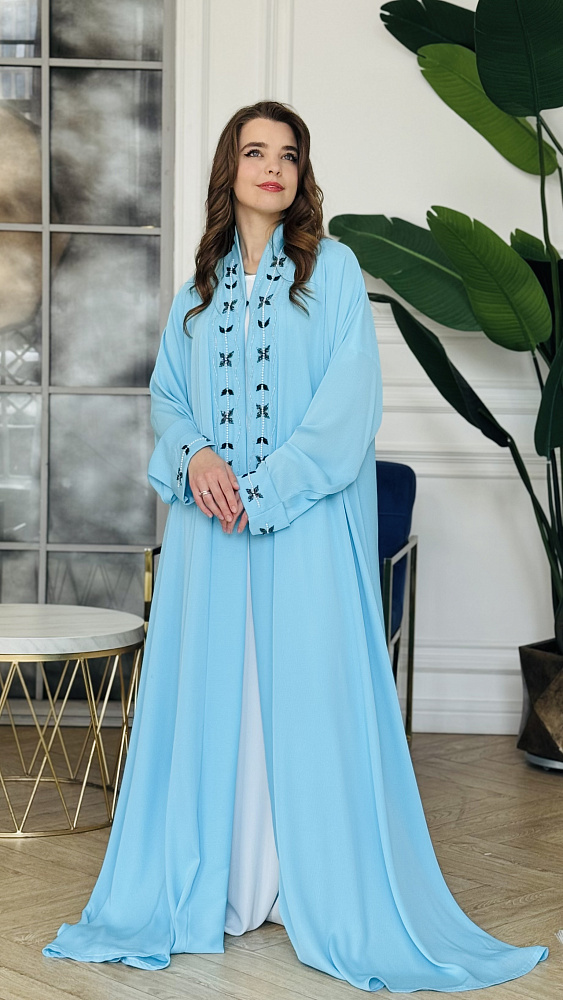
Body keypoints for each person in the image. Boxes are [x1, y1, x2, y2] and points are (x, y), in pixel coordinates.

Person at [43, 100, 548, 992]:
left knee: (307, 693)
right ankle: (223, 880)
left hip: (304, 526)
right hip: (208, 535)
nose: (272, 166)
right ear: (229, 169)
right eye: (254, 151)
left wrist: (267, 489)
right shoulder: (199, 290)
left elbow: (350, 401)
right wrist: (195, 455)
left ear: (301, 173)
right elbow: (167, 397)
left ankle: (307, 883)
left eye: (287, 153)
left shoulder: (334, 271)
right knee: (218, 691)